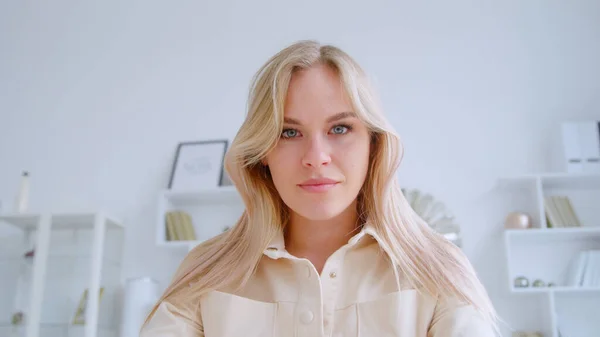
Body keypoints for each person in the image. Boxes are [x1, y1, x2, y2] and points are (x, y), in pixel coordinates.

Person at [140, 40, 500, 337]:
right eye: (289, 132)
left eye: (340, 129)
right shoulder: (206, 273)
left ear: (373, 143)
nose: (316, 158)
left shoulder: (436, 270)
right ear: (263, 151)